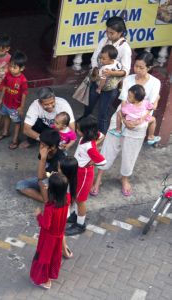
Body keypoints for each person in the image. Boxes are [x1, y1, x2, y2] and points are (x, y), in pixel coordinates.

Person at [90, 51, 162, 196]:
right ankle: (98, 179)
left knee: (130, 153)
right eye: (136, 66)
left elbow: (151, 106)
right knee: (109, 148)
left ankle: (124, 179)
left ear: (149, 67)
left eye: (141, 67)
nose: (137, 70)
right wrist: (123, 120)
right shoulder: (128, 79)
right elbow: (123, 100)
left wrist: (139, 121)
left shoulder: (155, 83)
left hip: (139, 124)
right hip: (121, 117)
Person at [84, 16, 131, 133]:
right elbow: (94, 57)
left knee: (102, 113)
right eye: (107, 32)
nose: (108, 35)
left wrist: (111, 73)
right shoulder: (104, 41)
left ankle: (100, 137)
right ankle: (84, 128)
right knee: (88, 106)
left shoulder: (125, 48)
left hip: (111, 87)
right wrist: (95, 71)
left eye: (112, 33)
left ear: (120, 33)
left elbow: (126, 71)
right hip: (98, 80)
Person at [65, 115, 106, 236]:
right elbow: (102, 135)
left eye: (78, 129)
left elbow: (103, 162)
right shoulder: (90, 137)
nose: (76, 130)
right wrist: (96, 143)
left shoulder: (89, 147)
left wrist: (88, 163)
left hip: (84, 174)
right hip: (78, 172)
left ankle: (80, 225)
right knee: (76, 196)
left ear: (86, 131)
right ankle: (77, 216)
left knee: (79, 200)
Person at [30, 173, 70, 290]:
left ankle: (45, 281)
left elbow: (45, 225)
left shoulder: (50, 207)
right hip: (58, 235)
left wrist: (38, 215)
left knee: (44, 258)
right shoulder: (66, 197)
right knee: (53, 257)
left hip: (48, 238)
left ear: (52, 188)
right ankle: (50, 276)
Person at [40, 156, 78, 259]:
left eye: (59, 168)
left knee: (60, 233)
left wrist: (50, 185)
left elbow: (45, 224)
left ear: (65, 171)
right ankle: (62, 246)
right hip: (65, 210)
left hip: (59, 212)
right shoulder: (70, 181)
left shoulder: (64, 187)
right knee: (61, 231)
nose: (57, 169)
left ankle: (64, 251)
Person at [16, 128, 65, 203]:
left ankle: (48, 201)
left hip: (56, 184)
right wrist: (38, 176)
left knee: (42, 181)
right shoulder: (44, 149)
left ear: (52, 147)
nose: (41, 147)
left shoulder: (59, 159)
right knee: (21, 185)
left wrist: (43, 158)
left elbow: (41, 177)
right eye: (40, 143)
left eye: (43, 145)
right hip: (46, 177)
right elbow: (43, 172)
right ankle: (47, 199)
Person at [0, 51, 28, 150]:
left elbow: (24, 95)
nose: (11, 69)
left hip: (15, 107)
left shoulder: (23, 80)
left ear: (21, 68)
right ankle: (6, 132)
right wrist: (1, 99)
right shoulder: (8, 75)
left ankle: (16, 139)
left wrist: (21, 107)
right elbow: (4, 87)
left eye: (15, 67)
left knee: (16, 122)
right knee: (7, 117)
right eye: (11, 66)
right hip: (6, 104)